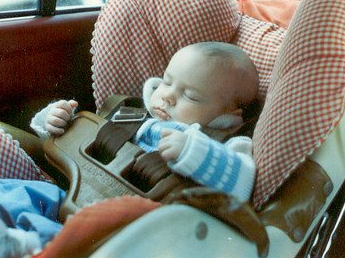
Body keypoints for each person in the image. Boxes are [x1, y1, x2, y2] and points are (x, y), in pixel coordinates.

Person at [31, 41, 260, 201]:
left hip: (143, 224)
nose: (168, 96)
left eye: (190, 95)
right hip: (75, 191)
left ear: (229, 114)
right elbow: (74, 145)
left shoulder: (221, 144)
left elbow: (243, 182)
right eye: (167, 82)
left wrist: (194, 151)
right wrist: (54, 120)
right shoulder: (129, 112)